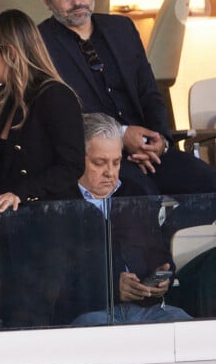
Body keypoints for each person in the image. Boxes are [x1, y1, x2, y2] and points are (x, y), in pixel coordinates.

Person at [38, 0, 216, 195]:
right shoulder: (39, 42)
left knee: (208, 183)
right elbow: (58, 115)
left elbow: (149, 93)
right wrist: (121, 135)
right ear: (46, 1)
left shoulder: (121, 27)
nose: (77, 1)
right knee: (143, 196)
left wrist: (160, 141)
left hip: (149, 150)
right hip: (96, 159)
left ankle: (170, 228)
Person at [70, 112, 191, 325]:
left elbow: (160, 255)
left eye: (116, 162)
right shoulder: (61, 202)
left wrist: (162, 277)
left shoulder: (133, 193)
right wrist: (110, 288)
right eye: (100, 162)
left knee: (194, 333)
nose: (110, 172)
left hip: (148, 311)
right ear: (78, 157)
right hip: (92, 313)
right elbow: (53, 284)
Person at [0, 9, 85, 212]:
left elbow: (71, 165)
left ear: (11, 53)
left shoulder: (55, 96)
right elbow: (3, 166)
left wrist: (21, 194)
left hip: (51, 224)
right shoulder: (5, 96)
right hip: (13, 226)